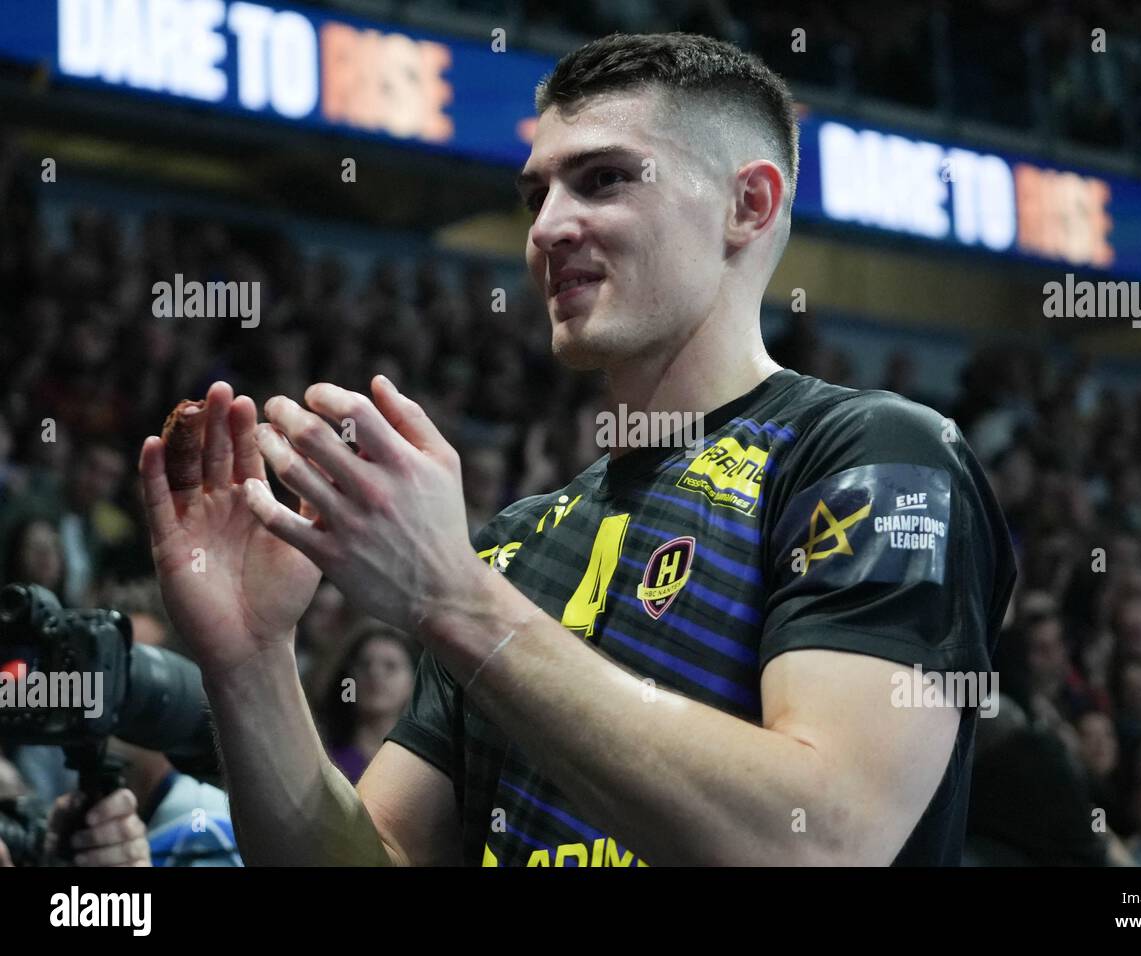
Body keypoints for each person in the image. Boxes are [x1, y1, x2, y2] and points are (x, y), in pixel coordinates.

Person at [137, 33, 1016, 866]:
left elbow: (823, 839)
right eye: (536, 195)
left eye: (601, 180)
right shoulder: (510, 545)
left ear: (748, 205)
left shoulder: (875, 454)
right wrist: (252, 662)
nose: (549, 228)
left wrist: (458, 600)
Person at [320, 626, 420, 785]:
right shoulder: (322, 755)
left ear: (412, 683)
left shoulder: (425, 764)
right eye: (364, 664)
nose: (375, 673)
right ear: (348, 682)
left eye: (390, 666)